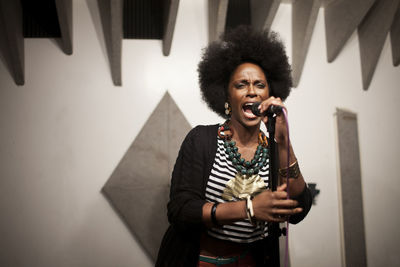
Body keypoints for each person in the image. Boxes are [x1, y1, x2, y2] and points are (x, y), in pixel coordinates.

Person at [156, 26, 312, 267]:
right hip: (200, 260)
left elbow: (299, 211)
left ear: (270, 93)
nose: (252, 91)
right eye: (241, 85)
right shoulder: (201, 140)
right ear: (226, 97)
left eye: (260, 85)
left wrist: (284, 145)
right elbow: (181, 211)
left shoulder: (274, 148)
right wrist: (248, 208)